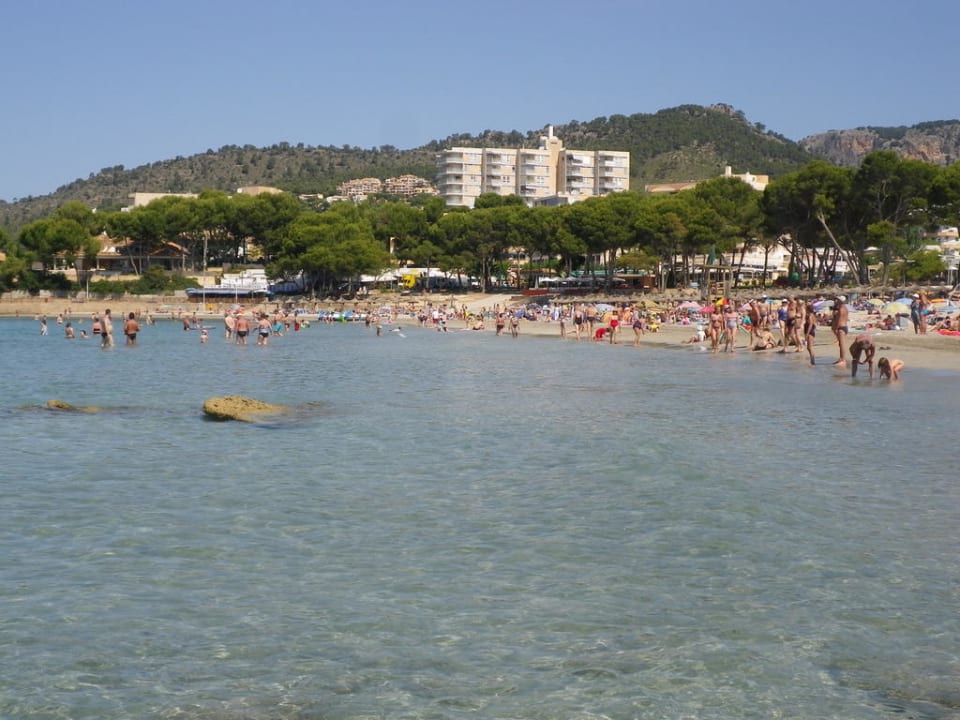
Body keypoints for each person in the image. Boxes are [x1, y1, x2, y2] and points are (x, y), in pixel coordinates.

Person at [831, 295, 848, 367]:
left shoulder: (841, 309)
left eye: (838, 300)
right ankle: (841, 358)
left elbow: (839, 320)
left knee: (842, 345)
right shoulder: (844, 308)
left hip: (841, 328)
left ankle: (843, 360)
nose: (836, 301)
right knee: (840, 344)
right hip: (843, 327)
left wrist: (836, 328)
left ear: (840, 301)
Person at [803, 300, 817, 365]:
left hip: (810, 331)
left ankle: (813, 361)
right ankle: (812, 360)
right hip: (810, 331)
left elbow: (811, 325)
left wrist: (807, 334)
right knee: (809, 347)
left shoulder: (810, 315)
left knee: (810, 347)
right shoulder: (809, 315)